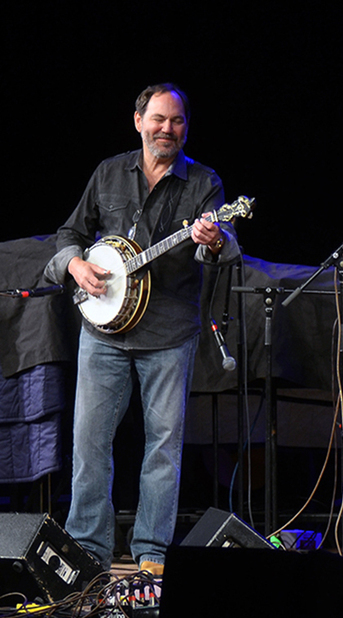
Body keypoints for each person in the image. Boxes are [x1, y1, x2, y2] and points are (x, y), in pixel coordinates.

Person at [44, 83, 239, 573]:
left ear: (185, 128)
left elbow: (224, 249)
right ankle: (88, 549)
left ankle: (151, 555)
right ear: (138, 121)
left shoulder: (204, 183)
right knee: (89, 443)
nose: (166, 129)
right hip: (104, 332)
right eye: (158, 119)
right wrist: (75, 266)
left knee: (162, 450)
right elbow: (69, 234)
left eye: (176, 122)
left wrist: (212, 240)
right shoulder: (109, 173)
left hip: (169, 332)